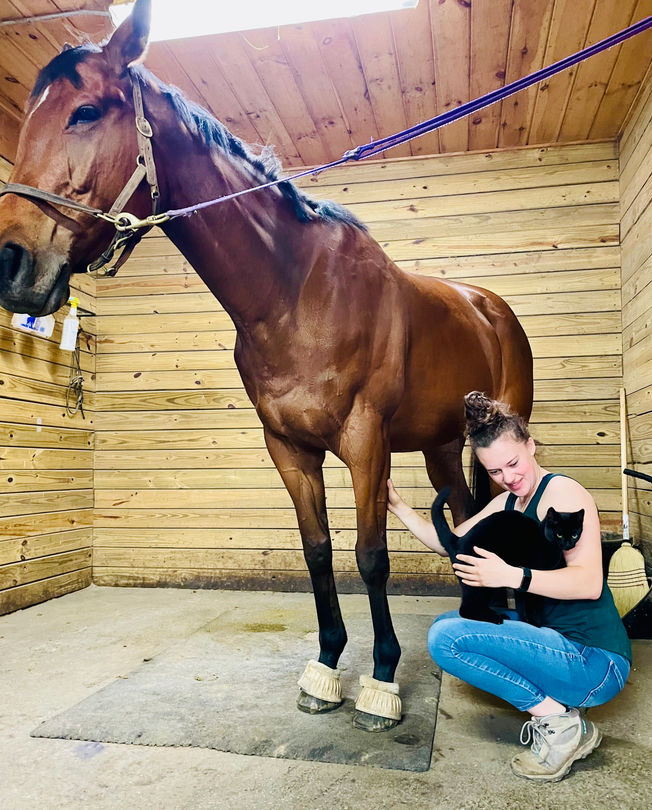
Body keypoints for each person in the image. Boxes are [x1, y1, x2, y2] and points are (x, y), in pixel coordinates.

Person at [387, 391, 631, 782]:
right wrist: (398, 506)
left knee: (447, 638)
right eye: (496, 472)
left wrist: (510, 576)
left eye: (513, 463)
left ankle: (562, 723)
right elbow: (447, 542)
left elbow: (588, 583)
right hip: (556, 639)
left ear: (531, 446)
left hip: (596, 660)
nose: (509, 478)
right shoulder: (509, 503)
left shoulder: (563, 494)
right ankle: (559, 707)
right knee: (455, 623)